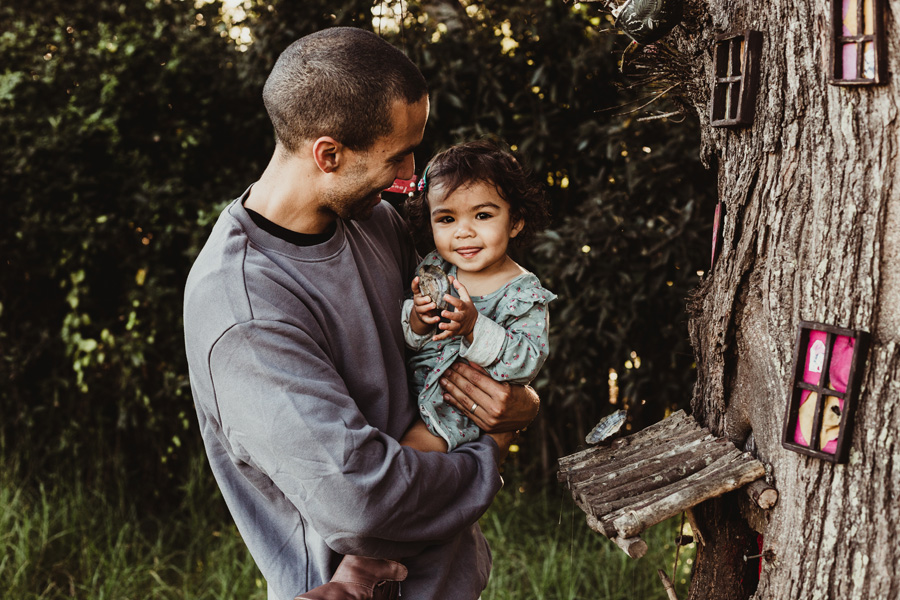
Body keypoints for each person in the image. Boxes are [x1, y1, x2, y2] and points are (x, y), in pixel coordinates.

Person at [182, 27, 540, 600]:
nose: (413, 174)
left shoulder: (374, 220)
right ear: (329, 154)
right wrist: (488, 447)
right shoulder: (245, 308)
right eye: (398, 154)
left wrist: (516, 402)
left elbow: (452, 357)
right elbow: (364, 503)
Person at [398, 140, 556, 453]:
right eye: (447, 219)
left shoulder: (523, 292)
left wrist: (473, 327)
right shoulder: (435, 267)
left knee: (407, 461)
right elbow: (410, 341)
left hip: (453, 414)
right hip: (407, 396)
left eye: (482, 215)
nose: (464, 231)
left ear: (515, 222)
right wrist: (417, 319)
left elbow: (525, 362)